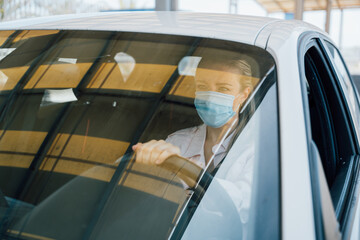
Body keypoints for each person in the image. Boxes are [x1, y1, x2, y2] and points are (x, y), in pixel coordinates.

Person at [132, 58, 254, 172]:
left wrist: (182, 168)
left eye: (223, 89)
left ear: (244, 95)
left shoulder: (255, 150)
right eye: (202, 86)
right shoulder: (176, 141)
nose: (210, 97)